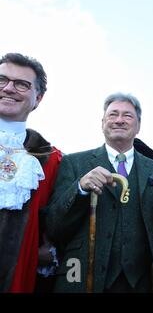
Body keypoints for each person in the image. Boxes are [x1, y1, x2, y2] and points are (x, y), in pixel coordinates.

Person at [46, 92, 153, 292]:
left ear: (138, 126)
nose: (119, 120)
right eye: (113, 115)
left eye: (127, 116)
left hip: (139, 281)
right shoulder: (74, 163)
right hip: (82, 276)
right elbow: (54, 226)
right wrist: (80, 189)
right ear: (102, 122)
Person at [0, 52, 62, 292]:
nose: (8, 88)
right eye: (2, 80)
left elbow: (56, 222)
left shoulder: (51, 160)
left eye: (22, 84)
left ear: (38, 98)